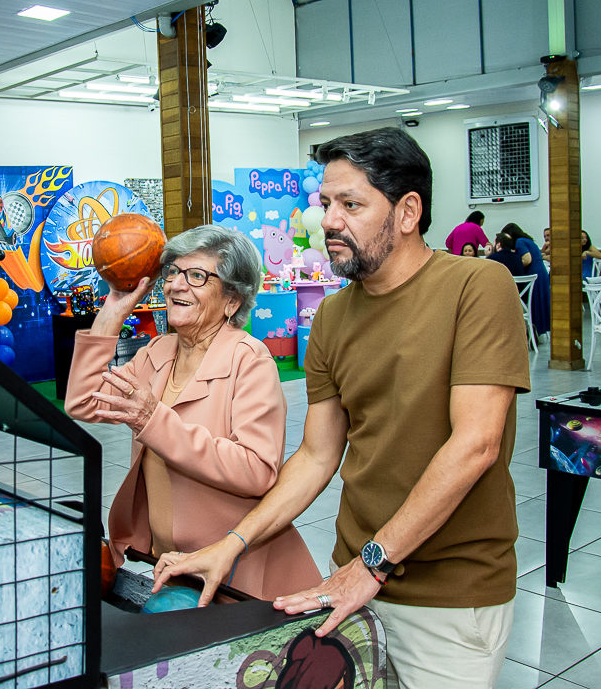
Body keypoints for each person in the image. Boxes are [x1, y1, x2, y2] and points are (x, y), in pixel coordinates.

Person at [155, 128, 531, 689]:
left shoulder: (477, 286)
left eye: (350, 205)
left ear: (408, 212)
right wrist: (231, 545)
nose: (329, 221)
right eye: (326, 203)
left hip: (449, 592)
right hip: (350, 578)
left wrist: (373, 565)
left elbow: (476, 444)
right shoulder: (332, 318)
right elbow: (316, 455)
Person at [65, 225, 321, 601]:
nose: (176, 285)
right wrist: (114, 308)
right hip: (175, 568)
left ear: (232, 300)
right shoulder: (157, 352)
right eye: (173, 272)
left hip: (239, 576)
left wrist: (154, 420)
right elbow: (84, 400)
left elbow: (256, 470)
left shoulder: (249, 361)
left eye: (197, 276)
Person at [502, 223, 550, 341]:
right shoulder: (528, 240)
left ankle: (533, 333)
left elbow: (527, 259)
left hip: (533, 273)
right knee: (539, 303)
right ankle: (539, 333)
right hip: (541, 273)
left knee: (533, 303)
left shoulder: (520, 242)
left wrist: (515, 266)